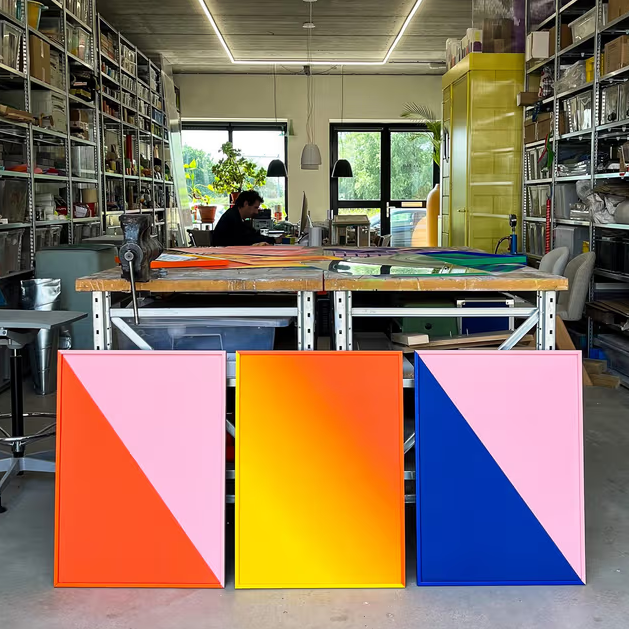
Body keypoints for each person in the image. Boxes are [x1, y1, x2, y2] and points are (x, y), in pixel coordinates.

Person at [211, 191, 280, 247]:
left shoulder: (235, 215)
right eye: (255, 207)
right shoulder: (232, 218)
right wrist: (273, 240)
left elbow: (251, 234)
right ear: (246, 204)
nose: (256, 212)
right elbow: (247, 239)